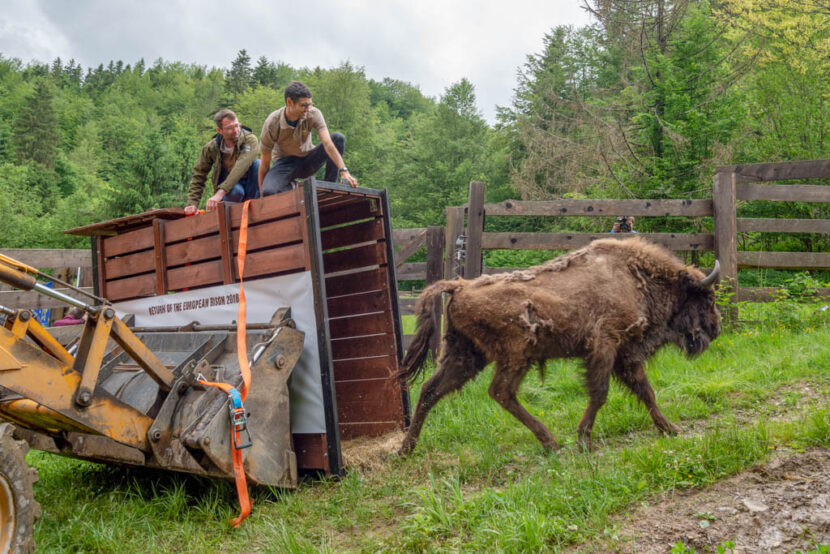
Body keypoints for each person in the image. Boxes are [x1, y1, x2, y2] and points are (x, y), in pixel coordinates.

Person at [258, 81, 358, 195]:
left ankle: (330, 188)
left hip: (308, 160)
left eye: (310, 104)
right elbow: (265, 163)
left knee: (338, 138)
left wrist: (344, 170)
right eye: (304, 105)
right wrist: (262, 195)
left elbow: (328, 144)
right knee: (268, 191)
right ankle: (293, 187)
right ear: (289, 102)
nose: (308, 109)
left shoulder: (314, 114)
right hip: (285, 164)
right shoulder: (272, 123)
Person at [185, 109, 260, 214]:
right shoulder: (211, 148)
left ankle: (254, 209)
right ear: (220, 130)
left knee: (258, 165)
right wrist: (192, 203)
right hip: (232, 188)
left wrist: (219, 194)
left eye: (237, 125)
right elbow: (199, 175)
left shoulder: (250, 140)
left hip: (251, 185)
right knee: (236, 192)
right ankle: (231, 217)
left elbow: (240, 167)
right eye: (230, 128)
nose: (235, 130)